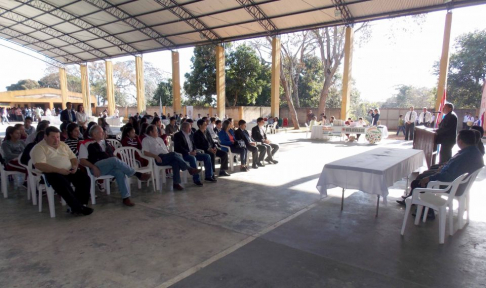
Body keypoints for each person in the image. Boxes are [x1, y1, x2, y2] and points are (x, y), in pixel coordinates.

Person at [397, 130, 484, 218]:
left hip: (451, 186)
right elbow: (454, 168)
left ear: (460, 141)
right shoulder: (473, 151)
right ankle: (416, 202)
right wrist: (444, 167)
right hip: (458, 183)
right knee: (427, 172)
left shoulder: (465, 156)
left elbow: (448, 176)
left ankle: (427, 211)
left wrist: (430, 178)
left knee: (417, 182)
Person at [79, 125, 151, 207]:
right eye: (101, 132)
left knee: (119, 172)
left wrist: (119, 164)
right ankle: (137, 174)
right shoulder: (86, 144)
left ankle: (126, 198)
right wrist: (93, 167)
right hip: (96, 167)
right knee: (114, 160)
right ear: (94, 134)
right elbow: (82, 160)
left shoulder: (106, 143)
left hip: (109, 166)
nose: (103, 133)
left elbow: (112, 155)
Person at [31, 126, 93, 216]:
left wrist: (75, 166)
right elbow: (40, 165)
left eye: (58, 137)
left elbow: (73, 158)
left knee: (84, 179)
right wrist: (59, 170)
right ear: (45, 137)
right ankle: (77, 207)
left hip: (68, 170)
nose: (56, 140)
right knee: (62, 183)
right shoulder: (39, 148)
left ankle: (81, 204)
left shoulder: (63, 145)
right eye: (53, 137)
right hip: (51, 172)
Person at [142, 124, 200, 191]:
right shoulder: (146, 140)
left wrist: (168, 153)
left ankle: (176, 184)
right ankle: (189, 169)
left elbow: (165, 150)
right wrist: (156, 157)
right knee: (173, 154)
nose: (157, 132)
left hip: (167, 156)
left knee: (175, 162)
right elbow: (145, 152)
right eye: (155, 130)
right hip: (158, 158)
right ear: (150, 132)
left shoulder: (159, 139)